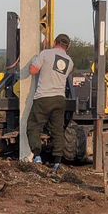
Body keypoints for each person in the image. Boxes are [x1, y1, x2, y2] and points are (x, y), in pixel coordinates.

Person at [27, 33, 74, 172]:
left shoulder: (45, 54)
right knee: (57, 130)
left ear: (55, 42)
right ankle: (57, 162)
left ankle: (37, 156)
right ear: (68, 46)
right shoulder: (70, 61)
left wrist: (33, 59)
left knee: (33, 126)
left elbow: (33, 70)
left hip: (43, 97)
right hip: (60, 99)